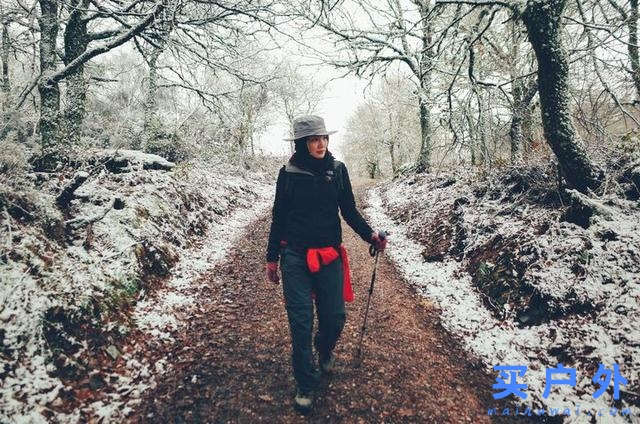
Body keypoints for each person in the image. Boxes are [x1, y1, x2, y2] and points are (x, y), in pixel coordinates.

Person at [265, 115, 387, 414]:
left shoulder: (338, 170)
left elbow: (348, 210)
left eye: (323, 138)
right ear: (302, 144)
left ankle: (325, 348)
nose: (320, 144)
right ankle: (305, 382)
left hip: (330, 255)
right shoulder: (288, 173)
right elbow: (279, 216)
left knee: (334, 317)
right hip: (295, 257)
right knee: (301, 322)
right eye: (313, 140)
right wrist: (272, 258)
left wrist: (369, 234)